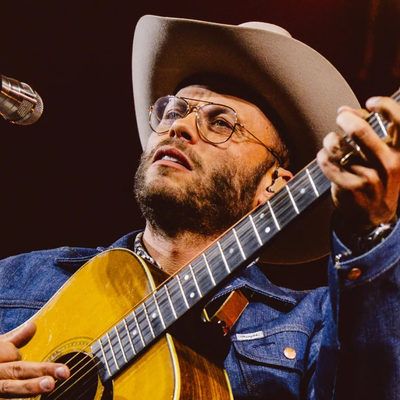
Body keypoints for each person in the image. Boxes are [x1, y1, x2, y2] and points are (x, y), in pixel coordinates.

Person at [0, 15, 400, 399]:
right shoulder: (18, 279)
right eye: (173, 111)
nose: (179, 126)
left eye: (221, 123)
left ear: (274, 184)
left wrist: (372, 233)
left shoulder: (310, 324)